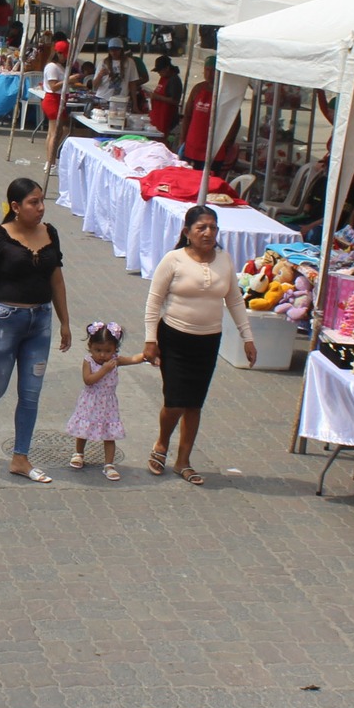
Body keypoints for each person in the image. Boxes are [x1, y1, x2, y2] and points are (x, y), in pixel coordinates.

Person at [0, 177, 72, 482]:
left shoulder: (50, 233)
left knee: (31, 393)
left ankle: (21, 457)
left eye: (42, 201)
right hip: (4, 322)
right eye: (33, 202)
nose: (41, 208)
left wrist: (64, 321)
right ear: (15, 206)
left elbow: (57, 280)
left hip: (40, 323)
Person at [142, 206, 253, 485]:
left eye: (212, 227)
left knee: (194, 403)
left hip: (208, 341)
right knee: (175, 401)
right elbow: (154, 301)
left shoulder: (224, 259)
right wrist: (150, 340)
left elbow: (234, 300)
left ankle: (183, 460)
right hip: (175, 338)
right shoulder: (174, 260)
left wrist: (247, 337)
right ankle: (161, 443)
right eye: (201, 227)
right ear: (187, 232)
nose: (207, 232)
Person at [66, 320, 144, 479]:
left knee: (109, 434)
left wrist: (147, 356)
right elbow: (88, 380)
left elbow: (133, 359)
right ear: (90, 347)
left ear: (115, 349)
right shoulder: (88, 361)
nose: (102, 355)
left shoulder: (115, 360)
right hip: (90, 402)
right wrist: (104, 370)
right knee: (83, 428)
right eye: (98, 350)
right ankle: (79, 453)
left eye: (108, 351)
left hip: (108, 404)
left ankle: (109, 464)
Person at [39, 42, 67, 174]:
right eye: (63, 54)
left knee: (55, 132)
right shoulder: (52, 67)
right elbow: (53, 86)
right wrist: (69, 80)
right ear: (57, 53)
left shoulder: (59, 66)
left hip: (58, 99)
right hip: (53, 100)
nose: (65, 57)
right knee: (54, 134)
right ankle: (51, 163)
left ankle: (50, 161)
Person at [148, 54, 182, 139]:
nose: (159, 73)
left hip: (166, 119)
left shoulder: (174, 80)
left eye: (160, 71)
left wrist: (157, 97)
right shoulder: (164, 77)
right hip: (158, 118)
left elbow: (175, 101)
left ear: (167, 68)